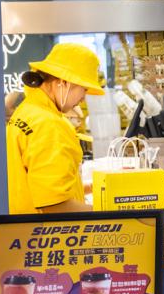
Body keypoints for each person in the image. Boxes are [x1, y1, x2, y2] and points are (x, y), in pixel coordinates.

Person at [6, 42, 106, 213]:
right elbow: (55, 206)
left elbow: (41, 187)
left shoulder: (27, 111)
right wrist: (109, 214)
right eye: (84, 89)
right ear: (64, 82)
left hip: (23, 226)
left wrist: (92, 187)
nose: (83, 98)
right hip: (45, 229)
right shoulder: (50, 125)